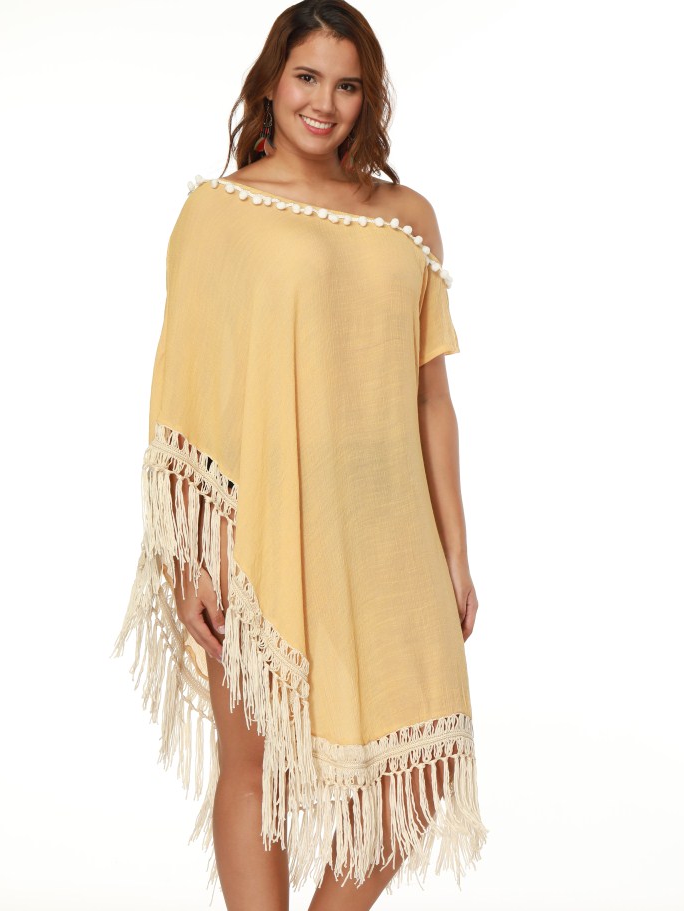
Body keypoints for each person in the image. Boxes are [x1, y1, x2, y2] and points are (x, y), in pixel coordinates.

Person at [111, 2, 488, 908]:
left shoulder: (407, 217)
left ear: (369, 97)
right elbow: (185, 395)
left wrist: (455, 550)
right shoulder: (220, 212)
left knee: (420, 765)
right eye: (308, 78)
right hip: (262, 523)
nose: (325, 103)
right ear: (272, 83)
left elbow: (431, 397)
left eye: (347, 85)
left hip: (389, 526)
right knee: (256, 762)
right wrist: (192, 556)